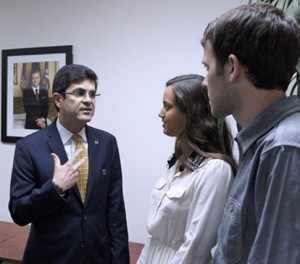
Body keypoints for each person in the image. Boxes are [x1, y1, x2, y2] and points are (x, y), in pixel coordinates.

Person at [201, 3, 300, 263]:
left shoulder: (283, 149)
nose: (204, 81)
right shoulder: (262, 143)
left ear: (231, 68)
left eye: (207, 67)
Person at [9, 64, 130, 264]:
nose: (88, 100)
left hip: (98, 258)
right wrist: (55, 188)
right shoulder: (29, 147)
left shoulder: (107, 143)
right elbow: (19, 212)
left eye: (92, 94)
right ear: (58, 99)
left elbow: (115, 211)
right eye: (80, 93)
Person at [137, 74, 236, 264]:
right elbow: (154, 238)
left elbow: (195, 247)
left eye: (167, 106)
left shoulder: (216, 170)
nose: (160, 113)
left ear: (191, 113)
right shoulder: (178, 162)